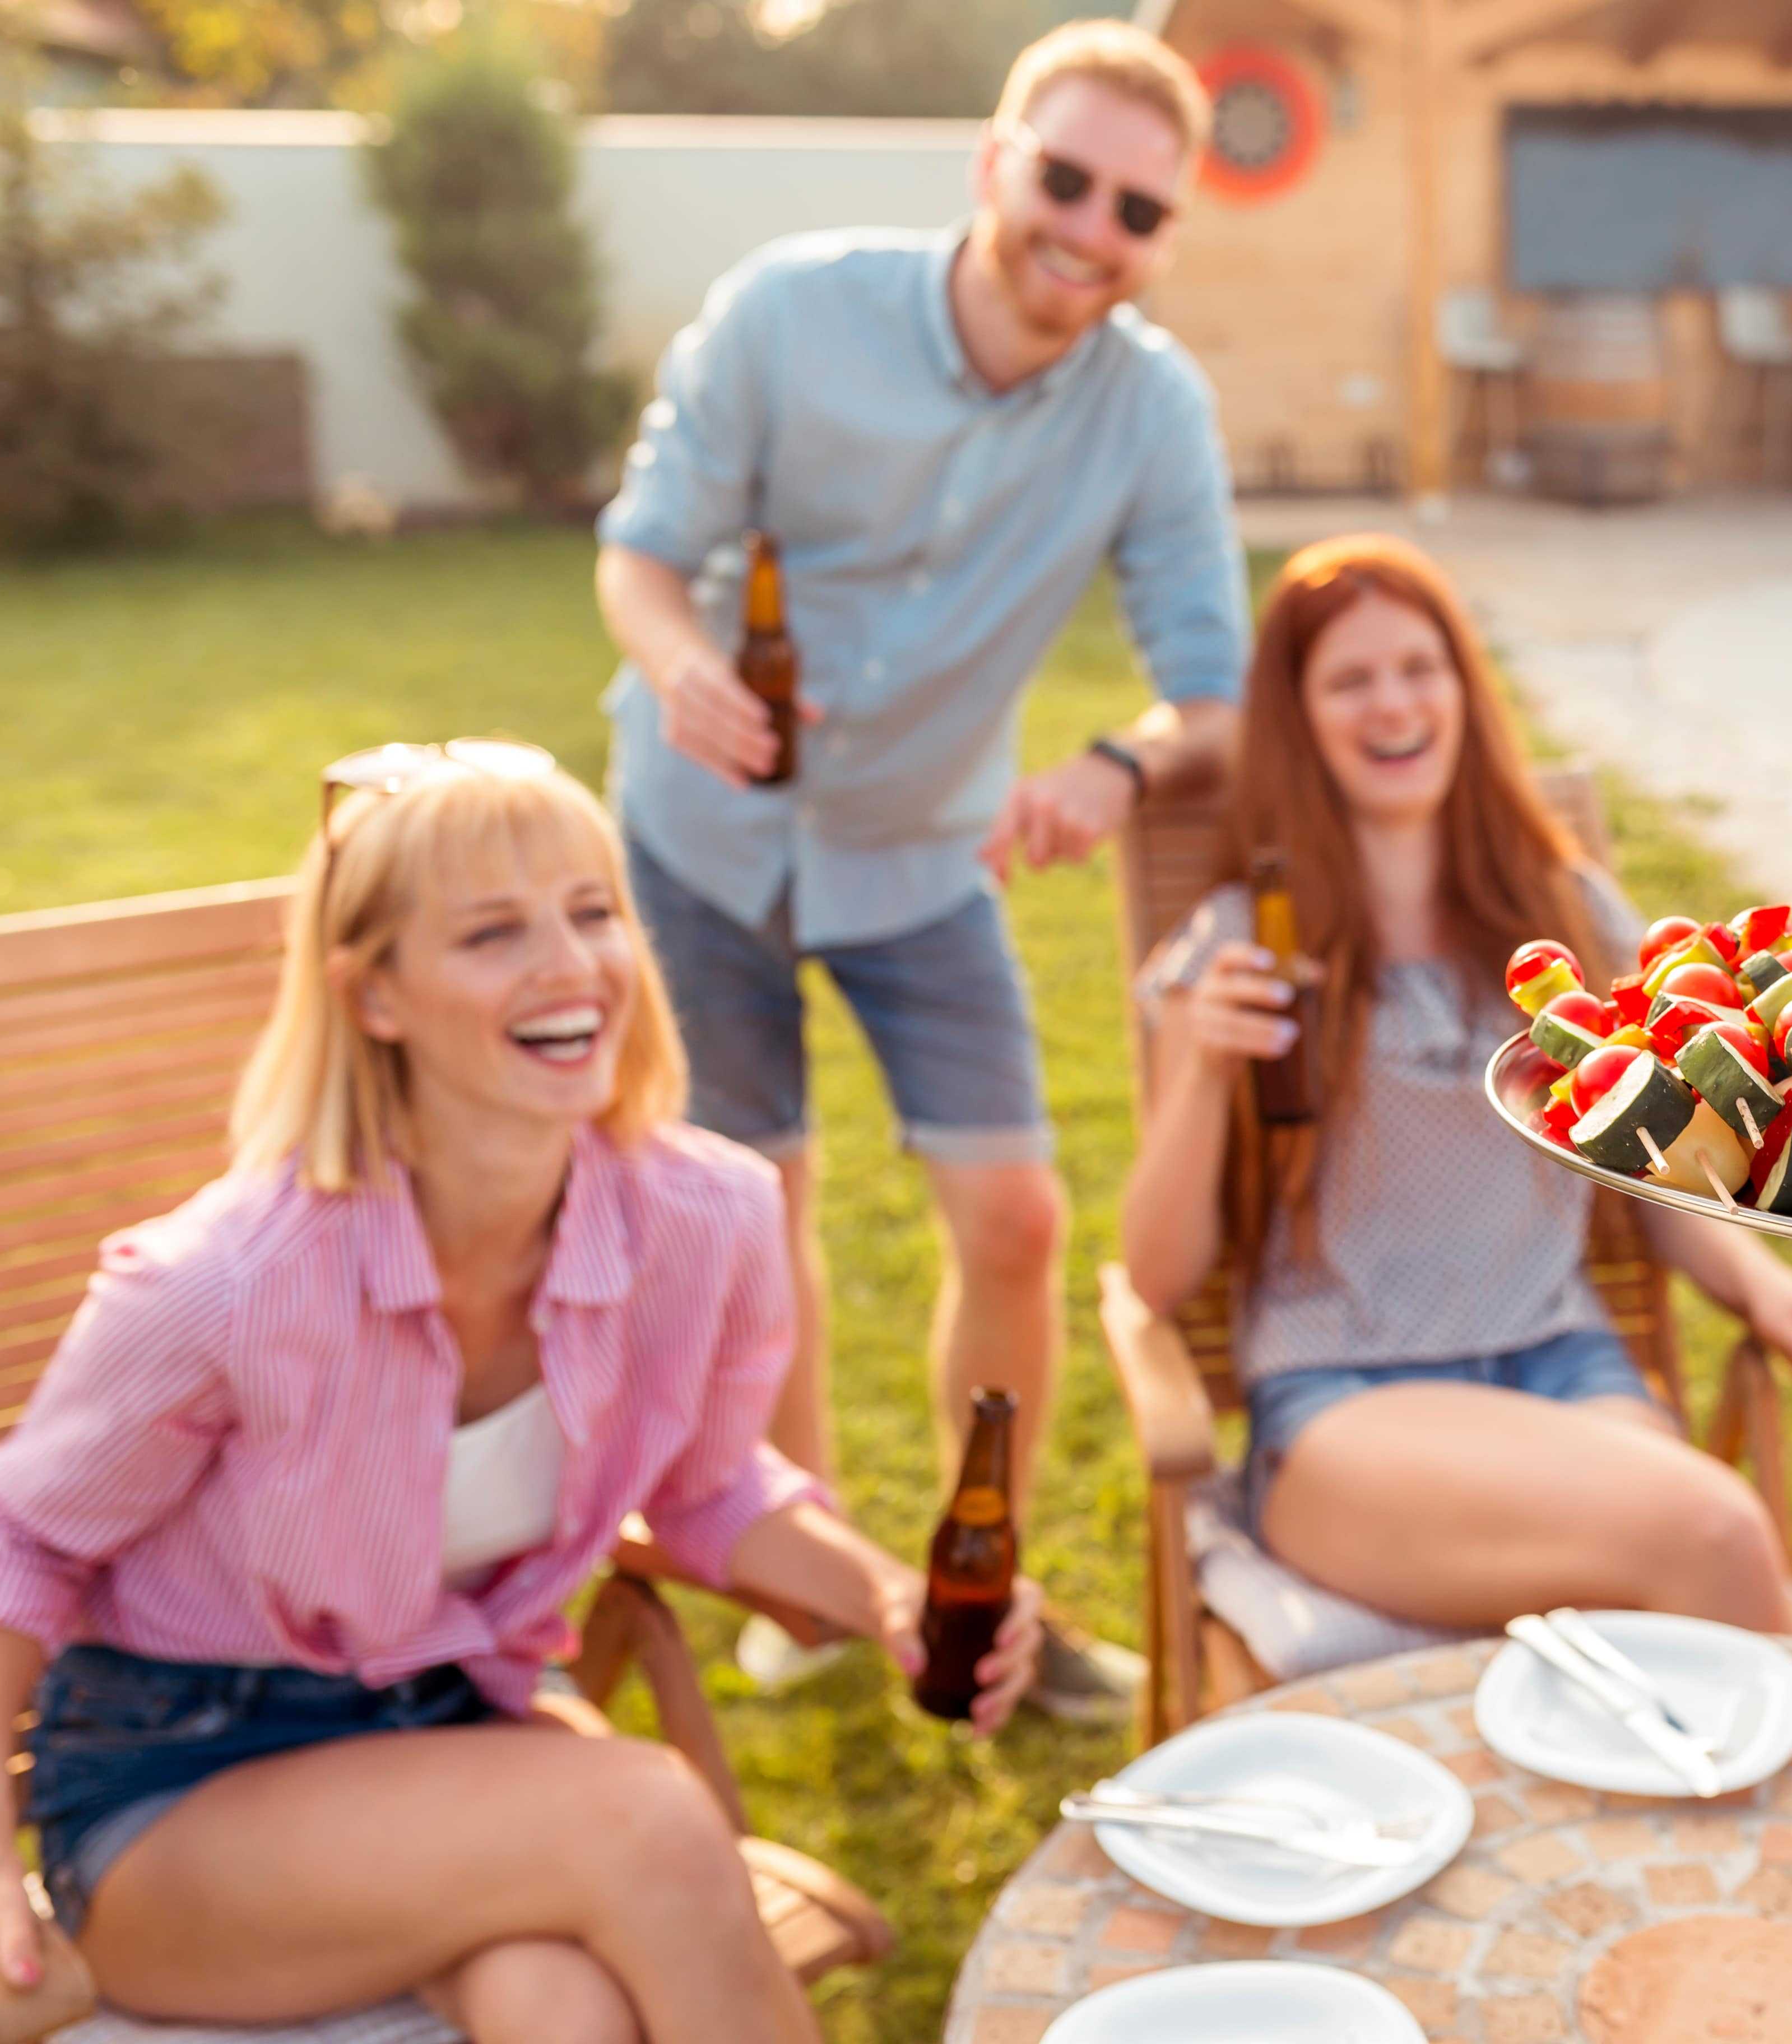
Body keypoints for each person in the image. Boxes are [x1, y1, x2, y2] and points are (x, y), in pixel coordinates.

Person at [0, 747, 1038, 2040]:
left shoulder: (704, 1219)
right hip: (182, 1787)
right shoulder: (231, 1284)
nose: (569, 967)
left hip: (460, 1730)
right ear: (374, 999)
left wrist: (889, 1600)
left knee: (564, 2009)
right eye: (493, 933)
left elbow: (709, 1489)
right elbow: (17, 1538)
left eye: (593, 914)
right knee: (645, 1812)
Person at [592, 18, 1246, 1714]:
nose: (1094, 229)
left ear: (1166, 236)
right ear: (994, 165)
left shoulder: (1150, 408)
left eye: (1139, 209)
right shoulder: (789, 310)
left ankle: (982, 1589)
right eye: (1068, 179)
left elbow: (1211, 685)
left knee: (1019, 1216)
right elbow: (643, 558)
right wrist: (679, 672)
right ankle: (802, 1585)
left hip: (923, 849)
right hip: (704, 833)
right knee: (759, 1208)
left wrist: (1117, 763)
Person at [1118, 537, 1792, 1635]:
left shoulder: (1563, 913)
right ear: (1300, 719)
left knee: (1697, 1600)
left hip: (1564, 1363)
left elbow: (1656, 1162)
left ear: (1462, 690)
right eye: (1350, 679)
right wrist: (1202, 1071)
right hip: (1345, 1398)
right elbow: (1153, 1279)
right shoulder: (1241, 950)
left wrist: (1763, 1285)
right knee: (1714, 1537)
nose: (1392, 704)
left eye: (1417, 668)